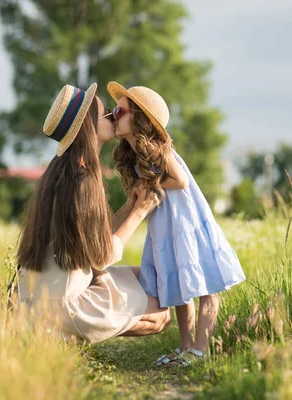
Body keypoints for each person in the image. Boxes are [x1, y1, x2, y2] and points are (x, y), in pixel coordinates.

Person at [17, 83, 171, 344]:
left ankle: (58, 331)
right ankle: (60, 334)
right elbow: (101, 255)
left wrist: (128, 207)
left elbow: (86, 236)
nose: (113, 116)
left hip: (39, 296)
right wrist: (139, 212)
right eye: (106, 114)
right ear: (88, 127)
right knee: (160, 314)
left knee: (148, 277)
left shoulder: (61, 171)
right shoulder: (82, 179)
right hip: (61, 306)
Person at [105, 81, 246, 365]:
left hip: (186, 222)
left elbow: (180, 181)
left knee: (205, 287)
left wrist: (148, 182)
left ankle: (201, 349)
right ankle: (185, 347)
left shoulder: (160, 148)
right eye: (112, 112)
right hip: (165, 227)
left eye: (120, 112)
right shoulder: (134, 155)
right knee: (180, 286)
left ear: (140, 119)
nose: (112, 117)